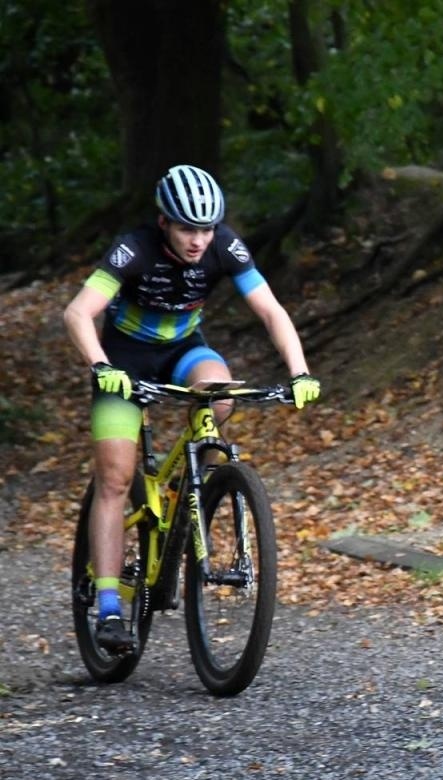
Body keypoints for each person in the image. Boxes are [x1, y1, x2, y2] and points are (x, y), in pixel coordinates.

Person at [63, 164, 321, 655]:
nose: (198, 240)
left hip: (184, 351)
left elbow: (271, 310)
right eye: (187, 228)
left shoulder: (226, 245)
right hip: (124, 360)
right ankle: (111, 606)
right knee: (116, 478)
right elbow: (77, 312)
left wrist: (300, 372)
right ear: (164, 223)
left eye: (206, 229)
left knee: (220, 393)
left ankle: (190, 491)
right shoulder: (133, 248)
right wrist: (100, 365)